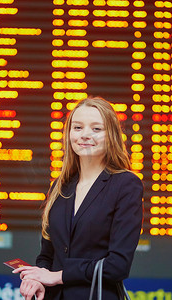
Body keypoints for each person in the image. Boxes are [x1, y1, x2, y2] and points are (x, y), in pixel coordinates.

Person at [13, 96, 144, 300]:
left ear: (112, 135)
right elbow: (47, 255)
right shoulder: (60, 186)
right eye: (77, 127)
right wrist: (37, 279)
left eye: (96, 129)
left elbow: (117, 266)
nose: (85, 135)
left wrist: (57, 276)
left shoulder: (126, 185)